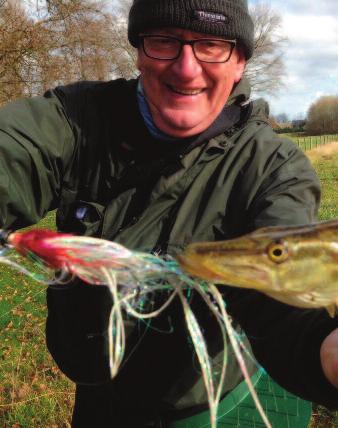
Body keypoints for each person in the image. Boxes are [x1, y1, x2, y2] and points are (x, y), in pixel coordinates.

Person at [0, 0, 337, 426]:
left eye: (212, 45)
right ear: (140, 50)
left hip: (202, 408)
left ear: (239, 63)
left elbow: (278, 300)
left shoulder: (273, 167)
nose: (186, 68)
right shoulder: (76, 119)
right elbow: (12, 153)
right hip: (95, 399)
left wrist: (323, 350)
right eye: (165, 41)